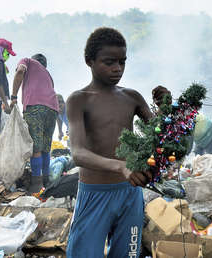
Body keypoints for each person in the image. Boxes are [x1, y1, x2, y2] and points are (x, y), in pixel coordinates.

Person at [66, 27, 153, 258]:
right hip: (95, 194)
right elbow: (78, 153)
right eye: (109, 62)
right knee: (84, 253)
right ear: (89, 61)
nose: (118, 69)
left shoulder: (132, 97)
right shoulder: (79, 100)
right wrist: (120, 166)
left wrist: (166, 108)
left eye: (122, 62)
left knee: (128, 254)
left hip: (130, 193)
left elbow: (160, 136)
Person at [11, 53, 59, 191]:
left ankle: (37, 185)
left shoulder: (27, 61)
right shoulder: (48, 75)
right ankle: (46, 181)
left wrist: (14, 96)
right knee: (45, 147)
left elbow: (20, 71)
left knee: (35, 147)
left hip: (35, 106)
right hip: (52, 109)